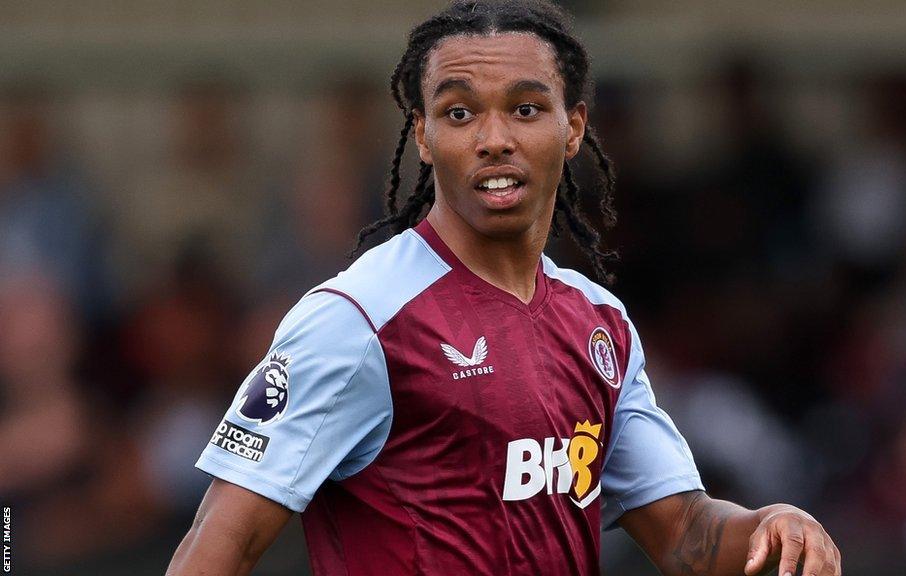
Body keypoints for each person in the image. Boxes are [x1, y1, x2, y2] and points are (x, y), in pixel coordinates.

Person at [166, 2, 842, 575]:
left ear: (573, 127)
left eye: (524, 108)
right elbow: (218, 543)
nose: (493, 139)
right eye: (460, 114)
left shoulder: (599, 322)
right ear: (423, 135)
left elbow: (684, 531)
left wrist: (768, 525)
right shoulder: (358, 319)